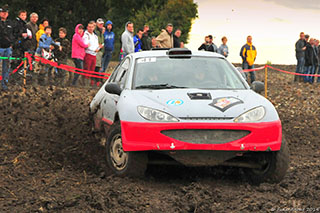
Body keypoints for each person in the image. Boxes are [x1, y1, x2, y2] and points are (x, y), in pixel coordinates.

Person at [0, 4, 15, 91]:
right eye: (2, 12)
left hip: (8, 48)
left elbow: (13, 34)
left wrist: (12, 44)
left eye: (5, 12)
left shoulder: (10, 23)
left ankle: (4, 85)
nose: (4, 14)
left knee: (7, 67)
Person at [83, 21, 101, 87]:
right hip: (88, 53)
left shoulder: (95, 36)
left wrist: (98, 48)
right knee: (87, 68)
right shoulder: (86, 35)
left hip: (94, 54)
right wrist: (93, 49)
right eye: (89, 27)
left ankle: (90, 82)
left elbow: (96, 44)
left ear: (94, 28)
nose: (90, 28)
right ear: (87, 27)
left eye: (92, 27)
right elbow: (87, 44)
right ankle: (86, 83)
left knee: (92, 69)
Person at [93, 18, 105, 87]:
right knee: (96, 67)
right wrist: (98, 46)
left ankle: (96, 81)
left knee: (98, 66)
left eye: (102, 24)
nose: (101, 25)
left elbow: (102, 41)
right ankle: (95, 81)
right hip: (96, 50)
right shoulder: (96, 31)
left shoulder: (101, 32)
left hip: (100, 51)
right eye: (100, 24)